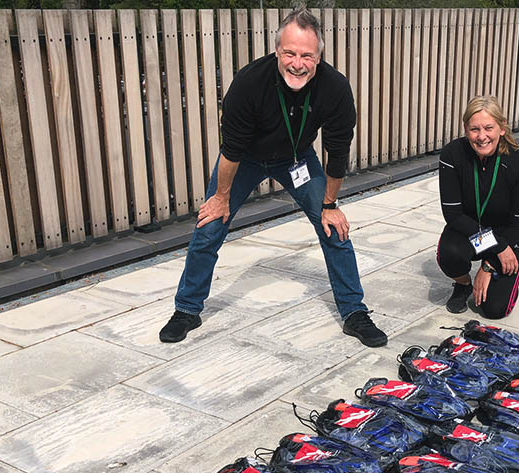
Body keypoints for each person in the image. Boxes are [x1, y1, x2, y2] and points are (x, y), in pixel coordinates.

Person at [159, 8, 386, 347]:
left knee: (333, 227)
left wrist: (330, 204)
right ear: (277, 51)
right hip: (246, 159)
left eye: (307, 55)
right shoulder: (250, 82)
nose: (298, 63)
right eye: (290, 53)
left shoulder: (335, 88)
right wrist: (221, 197)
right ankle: (187, 309)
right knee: (209, 227)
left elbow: (337, 153)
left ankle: (354, 312)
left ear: (318, 56)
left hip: (296, 158)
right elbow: (231, 150)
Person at [437, 96, 519, 319]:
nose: (482, 137)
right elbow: (453, 214)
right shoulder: (453, 155)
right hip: (472, 230)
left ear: (501, 128)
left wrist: (489, 265)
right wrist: (496, 249)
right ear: (465, 129)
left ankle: (499, 282)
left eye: (488, 128)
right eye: (474, 129)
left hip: (509, 234)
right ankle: (463, 284)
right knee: (450, 252)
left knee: (494, 310)